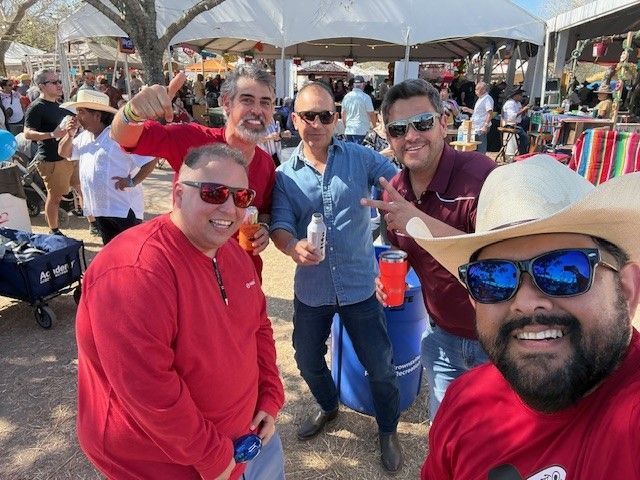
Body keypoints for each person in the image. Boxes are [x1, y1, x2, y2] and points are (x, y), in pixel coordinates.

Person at [410, 155, 640, 479]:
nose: (527, 303)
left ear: (627, 290)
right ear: (474, 300)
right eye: (493, 277)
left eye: (564, 271)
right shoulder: (463, 402)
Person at [76, 143, 285, 480]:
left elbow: (258, 326)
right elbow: (147, 387)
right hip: (168, 464)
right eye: (214, 193)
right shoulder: (135, 270)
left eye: (241, 197)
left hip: (249, 440)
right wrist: (212, 456)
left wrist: (270, 395)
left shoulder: (232, 253)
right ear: (178, 195)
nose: (229, 208)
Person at [270, 81, 403, 473]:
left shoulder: (360, 158)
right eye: (308, 116)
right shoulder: (284, 176)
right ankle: (329, 406)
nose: (316, 124)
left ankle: (387, 430)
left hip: (360, 285)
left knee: (380, 366)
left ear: (337, 118)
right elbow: (280, 224)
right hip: (313, 289)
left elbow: (398, 182)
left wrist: (399, 202)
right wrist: (292, 246)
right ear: (294, 120)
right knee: (307, 358)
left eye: (324, 115)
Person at [360, 79, 497, 422]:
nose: (411, 136)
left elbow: (497, 264)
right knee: (445, 436)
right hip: (442, 340)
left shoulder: (481, 176)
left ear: (443, 122)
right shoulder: (394, 191)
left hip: (497, 343)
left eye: (422, 122)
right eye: (398, 128)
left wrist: (419, 222)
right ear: (388, 137)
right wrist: (386, 280)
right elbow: (401, 254)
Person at [110, 64, 275, 280]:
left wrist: (264, 227)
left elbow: (265, 209)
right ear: (226, 103)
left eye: (265, 102)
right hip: (190, 273)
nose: (257, 110)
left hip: (244, 275)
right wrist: (133, 112)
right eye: (247, 100)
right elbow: (124, 138)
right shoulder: (193, 140)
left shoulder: (266, 164)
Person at [58, 90, 156, 244]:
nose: (76, 117)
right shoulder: (84, 137)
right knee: (111, 249)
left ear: (97, 115)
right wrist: (69, 135)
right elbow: (63, 152)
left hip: (124, 209)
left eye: (81, 112)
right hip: (100, 208)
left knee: (130, 249)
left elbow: (150, 159)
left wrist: (132, 181)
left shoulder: (118, 135)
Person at [23, 69, 74, 235]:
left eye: (59, 81)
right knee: (55, 197)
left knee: (82, 188)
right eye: (54, 82)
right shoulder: (36, 107)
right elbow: (27, 133)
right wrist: (52, 134)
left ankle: (94, 223)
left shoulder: (62, 106)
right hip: (51, 159)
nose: (59, 85)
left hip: (69, 156)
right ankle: (54, 230)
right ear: (41, 86)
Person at [341, 75, 376, 144]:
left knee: (350, 150)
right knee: (359, 150)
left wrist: (346, 125)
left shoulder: (347, 97)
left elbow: (343, 113)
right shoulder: (366, 97)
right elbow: (371, 114)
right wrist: (374, 127)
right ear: (363, 85)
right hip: (362, 130)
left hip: (349, 129)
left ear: (353, 85)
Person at [461, 81, 493, 153]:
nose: (475, 91)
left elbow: (490, 113)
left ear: (483, 89)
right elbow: (478, 113)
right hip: (476, 125)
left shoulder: (487, 98)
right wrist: (468, 110)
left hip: (481, 125)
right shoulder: (480, 98)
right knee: (475, 145)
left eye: (477, 89)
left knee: (481, 145)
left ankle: (482, 158)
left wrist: (485, 126)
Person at [501, 86, 530, 155]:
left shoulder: (518, 103)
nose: (521, 97)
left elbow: (520, 115)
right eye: (520, 95)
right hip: (510, 124)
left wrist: (524, 110)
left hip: (517, 123)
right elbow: (512, 117)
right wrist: (523, 110)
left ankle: (524, 149)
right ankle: (522, 153)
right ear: (516, 95)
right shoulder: (510, 103)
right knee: (524, 137)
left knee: (527, 120)